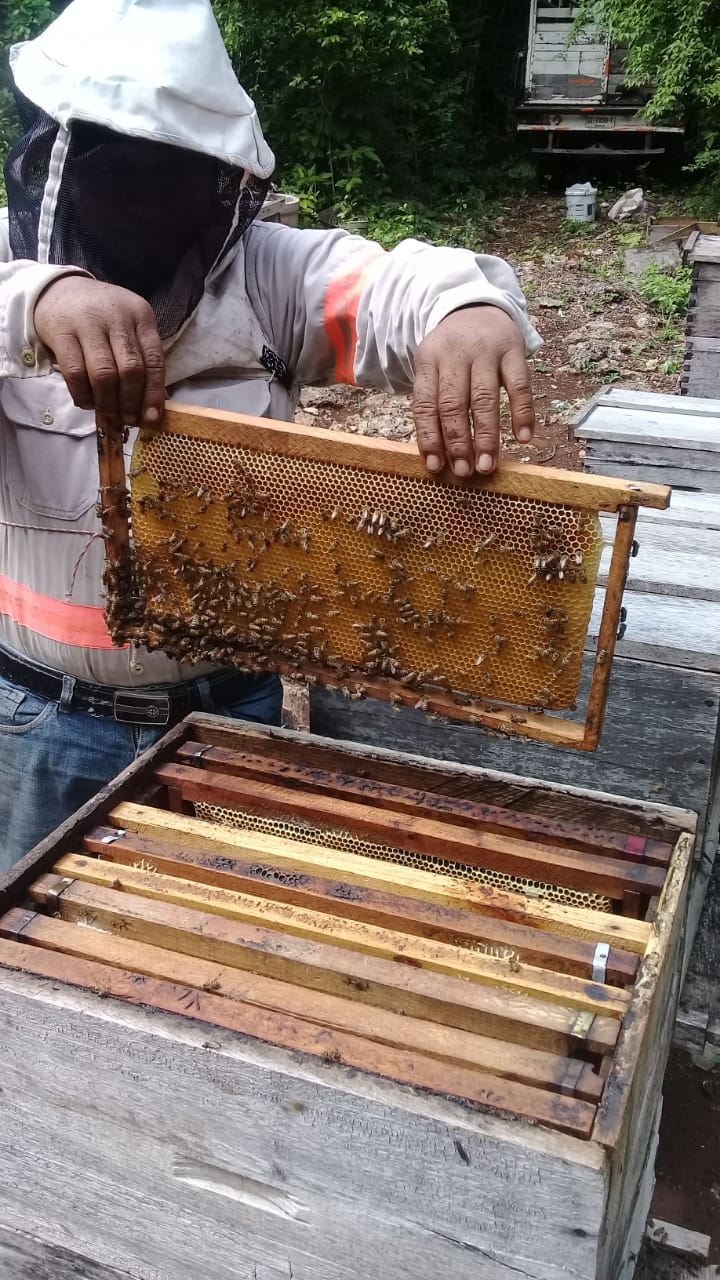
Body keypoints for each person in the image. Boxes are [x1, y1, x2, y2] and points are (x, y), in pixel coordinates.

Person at [0, 0, 540, 872]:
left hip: (227, 715)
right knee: (33, 987)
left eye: (167, 175)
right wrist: (37, 300)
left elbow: (398, 284)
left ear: (219, 181)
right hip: (38, 724)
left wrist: (466, 309)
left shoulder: (273, 278)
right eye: (116, 170)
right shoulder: (8, 268)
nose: (141, 203)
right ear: (52, 157)